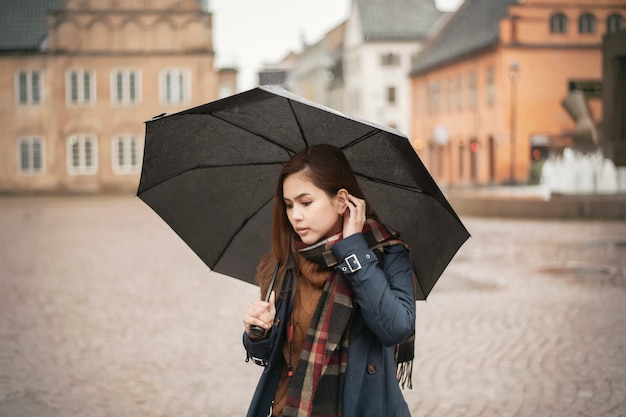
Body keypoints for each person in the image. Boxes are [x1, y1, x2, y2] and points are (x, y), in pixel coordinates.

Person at [242, 144, 416, 417]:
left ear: (341, 200)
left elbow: (395, 328)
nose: (295, 215)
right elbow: (273, 356)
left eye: (306, 202)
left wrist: (355, 250)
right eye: (288, 205)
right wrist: (258, 331)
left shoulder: (386, 253)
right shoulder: (284, 262)